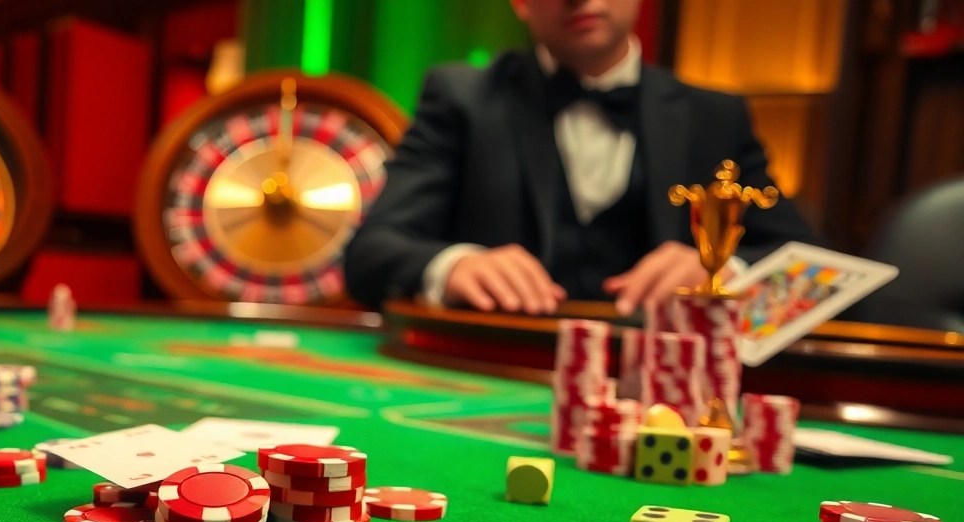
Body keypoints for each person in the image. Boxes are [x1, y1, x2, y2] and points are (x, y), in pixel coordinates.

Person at [343, 0, 817, 315]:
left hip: (661, 390)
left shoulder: (715, 117)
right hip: (495, 372)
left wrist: (723, 270)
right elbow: (371, 253)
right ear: (520, 2)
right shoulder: (460, 98)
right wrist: (453, 265)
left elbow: (816, 268)